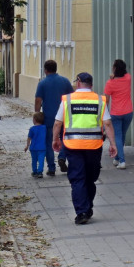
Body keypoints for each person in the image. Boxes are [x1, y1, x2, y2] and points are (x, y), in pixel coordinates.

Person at [52, 72, 116, 225]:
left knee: (78, 178)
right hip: (94, 146)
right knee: (90, 178)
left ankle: (82, 211)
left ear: (78, 82)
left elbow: (57, 123)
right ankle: (86, 208)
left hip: (73, 146)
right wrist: (113, 144)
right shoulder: (100, 100)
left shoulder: (67, 99)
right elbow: (107, 124)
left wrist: (55, 140)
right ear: (91, 85)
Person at [35, 59, 74, 175]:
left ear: (45, 70)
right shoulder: (65, 81)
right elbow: (71, 97)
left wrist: (37, 114)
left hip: (49, 118)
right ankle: (62, 157)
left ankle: (51, 168)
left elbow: (38, 100)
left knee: (49, 143)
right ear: (56, 69)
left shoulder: (42, 83)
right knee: (65, 140)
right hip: (65, 117)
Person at [104, 59, 133, 169]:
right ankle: (116, 158)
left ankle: (122, 161)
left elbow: (106, 101)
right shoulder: (128, 78)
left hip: (116, 113)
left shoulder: (110, 83)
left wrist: (104, 114)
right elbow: (124, 74)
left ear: (115, 68)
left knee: (118, 137)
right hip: (128, 112)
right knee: (122, 136)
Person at [25, 111, 47, 179]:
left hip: (33, 148)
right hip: (42, 148)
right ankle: (40, 172)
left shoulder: (32, 129)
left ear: (34, 119)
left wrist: (27, 146)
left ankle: (34, 171)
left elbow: (29, 138)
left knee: (34, 160)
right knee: (41, 161)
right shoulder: (45, 128)